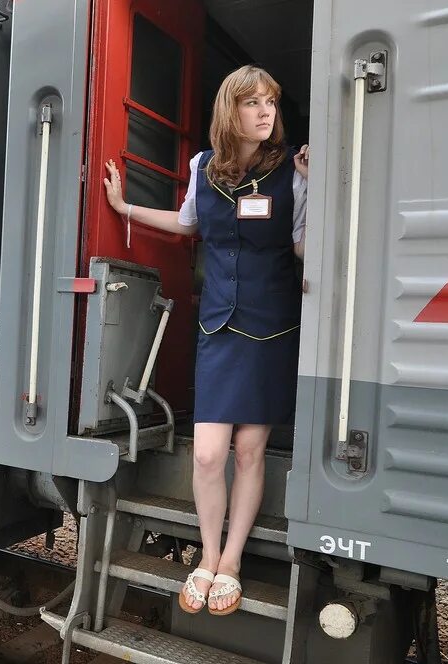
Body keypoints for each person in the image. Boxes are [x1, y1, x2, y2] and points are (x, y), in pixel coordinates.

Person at [103, 65, 309, 616]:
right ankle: (206, 554)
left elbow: (304, 249)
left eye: (271, 102)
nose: (266, 113)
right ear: (230, 111)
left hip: (271, 326)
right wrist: (126, 209)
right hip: (219, 325)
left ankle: (231, 561)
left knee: (248, 449)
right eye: (254, 103)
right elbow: (188, 223)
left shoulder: (293, 170)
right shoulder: (203, 168)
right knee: (210, 454)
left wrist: (319, 187)